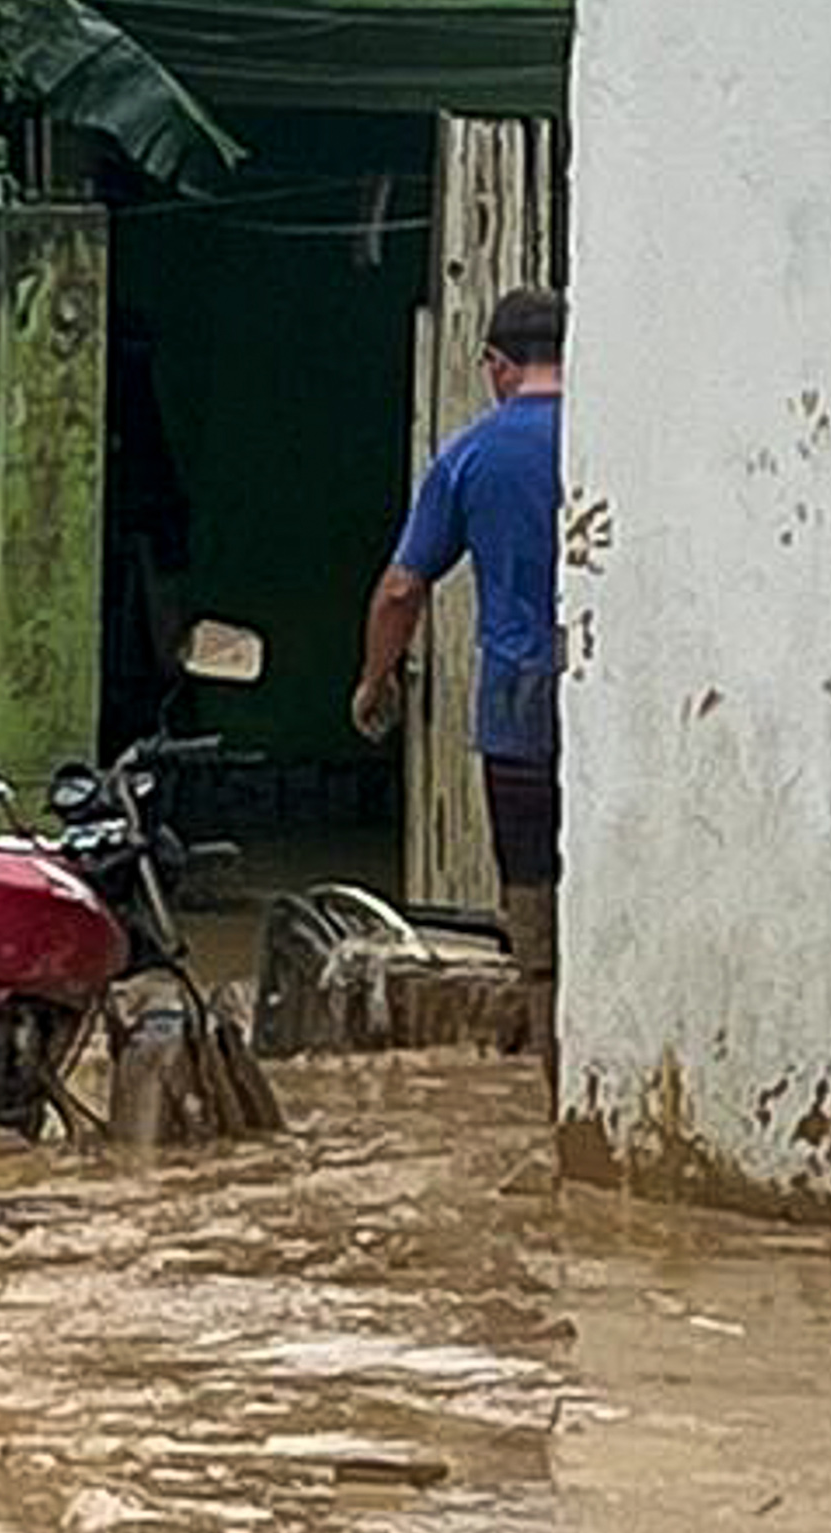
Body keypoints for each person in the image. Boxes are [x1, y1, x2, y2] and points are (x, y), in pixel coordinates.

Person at [354, 283, 565, 1081]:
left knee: (534, 899)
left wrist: (375, 683)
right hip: (608, 699)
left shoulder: (473, 455)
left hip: (517, 703)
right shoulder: (613, 439)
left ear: (495, 365)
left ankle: (553, 1078)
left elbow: (402, 589)